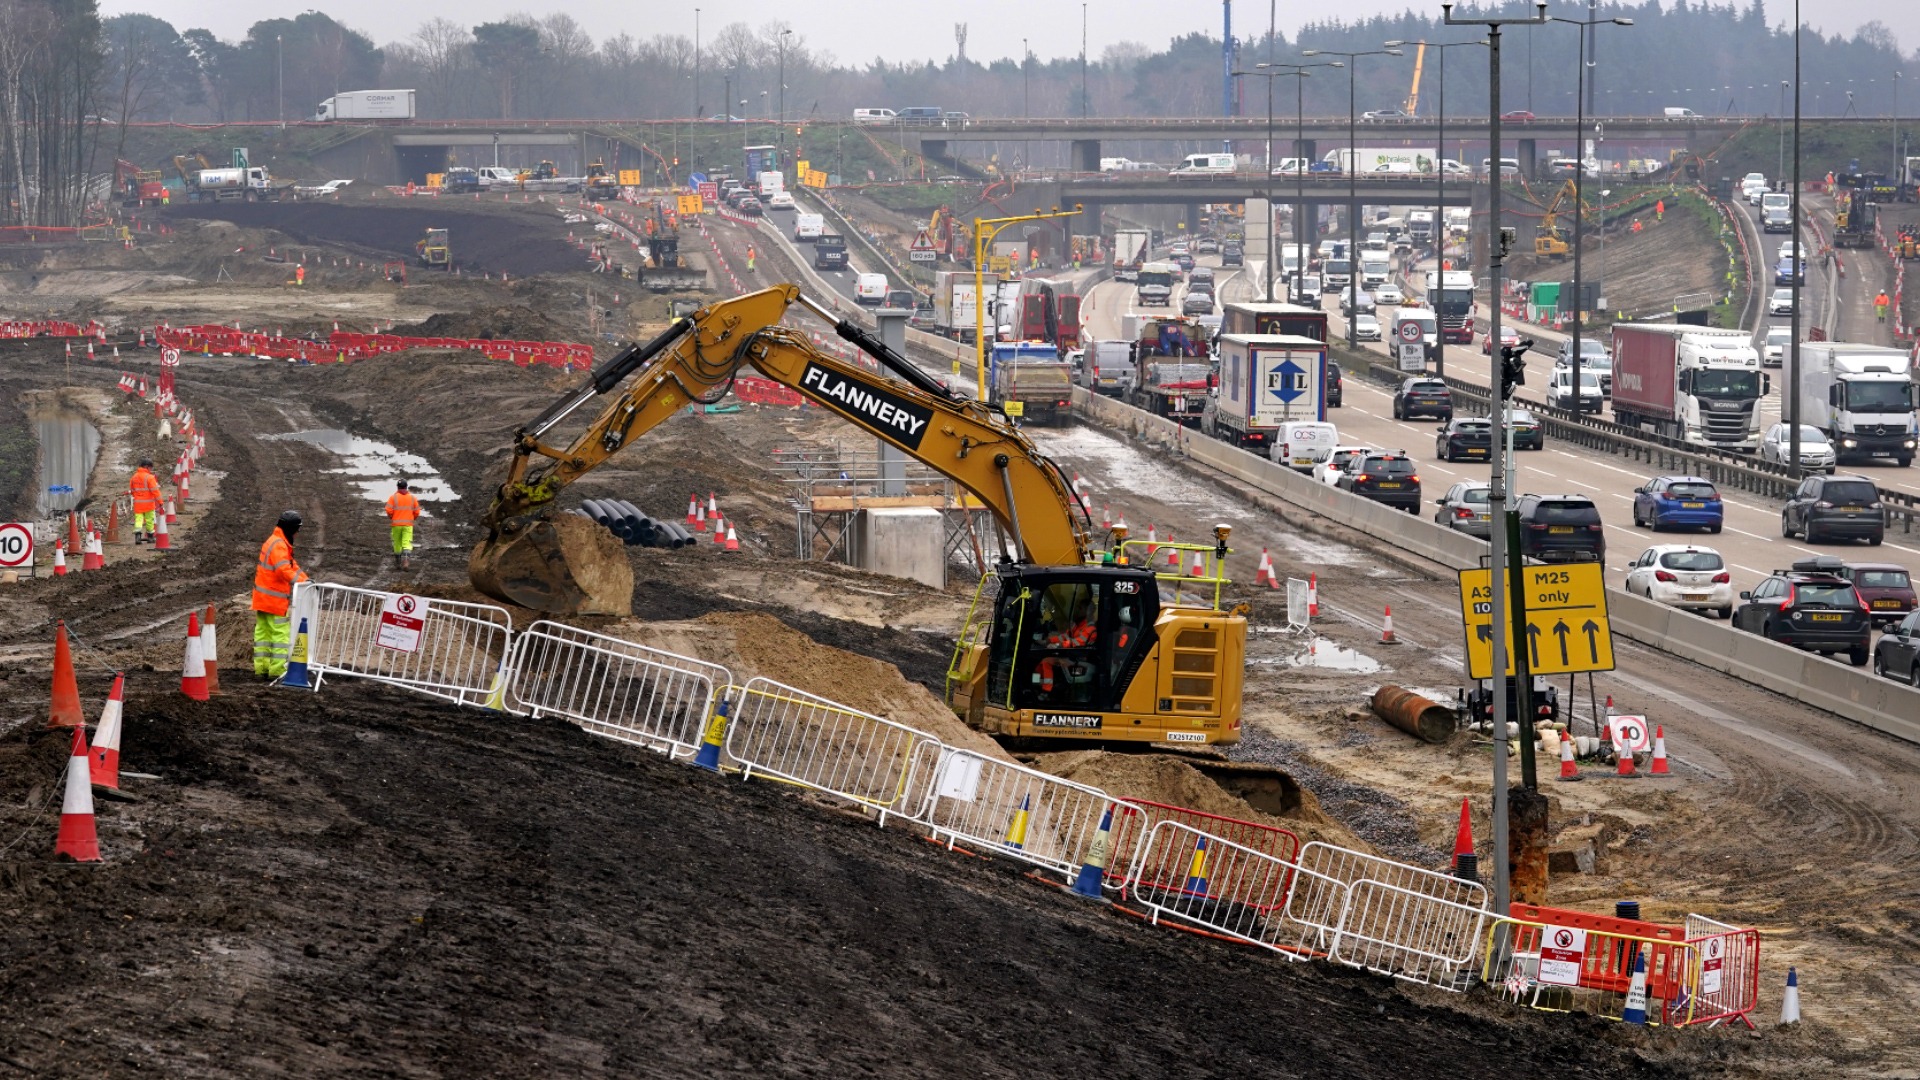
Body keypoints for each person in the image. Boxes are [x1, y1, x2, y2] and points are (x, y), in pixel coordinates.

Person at [252, 511, 309, 679]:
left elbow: (292, 566)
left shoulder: (276, 541)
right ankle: (277, 670)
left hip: (262, 599)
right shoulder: (279, 545)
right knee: (280, 635)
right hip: (275, 600)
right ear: (291, 528)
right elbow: (284, 570)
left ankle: (261, 669)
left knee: (263, 635)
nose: (297, 533)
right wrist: (300, 583)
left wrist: (306, 580)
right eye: (297, 529)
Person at [384, 478, 421, 568]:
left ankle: (398, 562)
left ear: (398, 487)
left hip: (396, 525)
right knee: (407, 543)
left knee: (397, 543)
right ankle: (406, 562)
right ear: (406, 487)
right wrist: (412, 518)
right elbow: (417, 512)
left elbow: (388, 510)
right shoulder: (412, 498)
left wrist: (392, 516)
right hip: (408, 525)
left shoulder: (393, 497)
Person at [128, 457, 161, 544]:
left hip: (138, 504)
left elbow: (132, 490)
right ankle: (150, 538)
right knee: (149, 520)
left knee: (138, 520)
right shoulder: (149, 477)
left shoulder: (134, 477)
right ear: (147, 467)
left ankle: (138, 537)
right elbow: (155, 491)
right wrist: (160, 502)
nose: (151, 469)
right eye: (150, 467)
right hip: (149, 504)